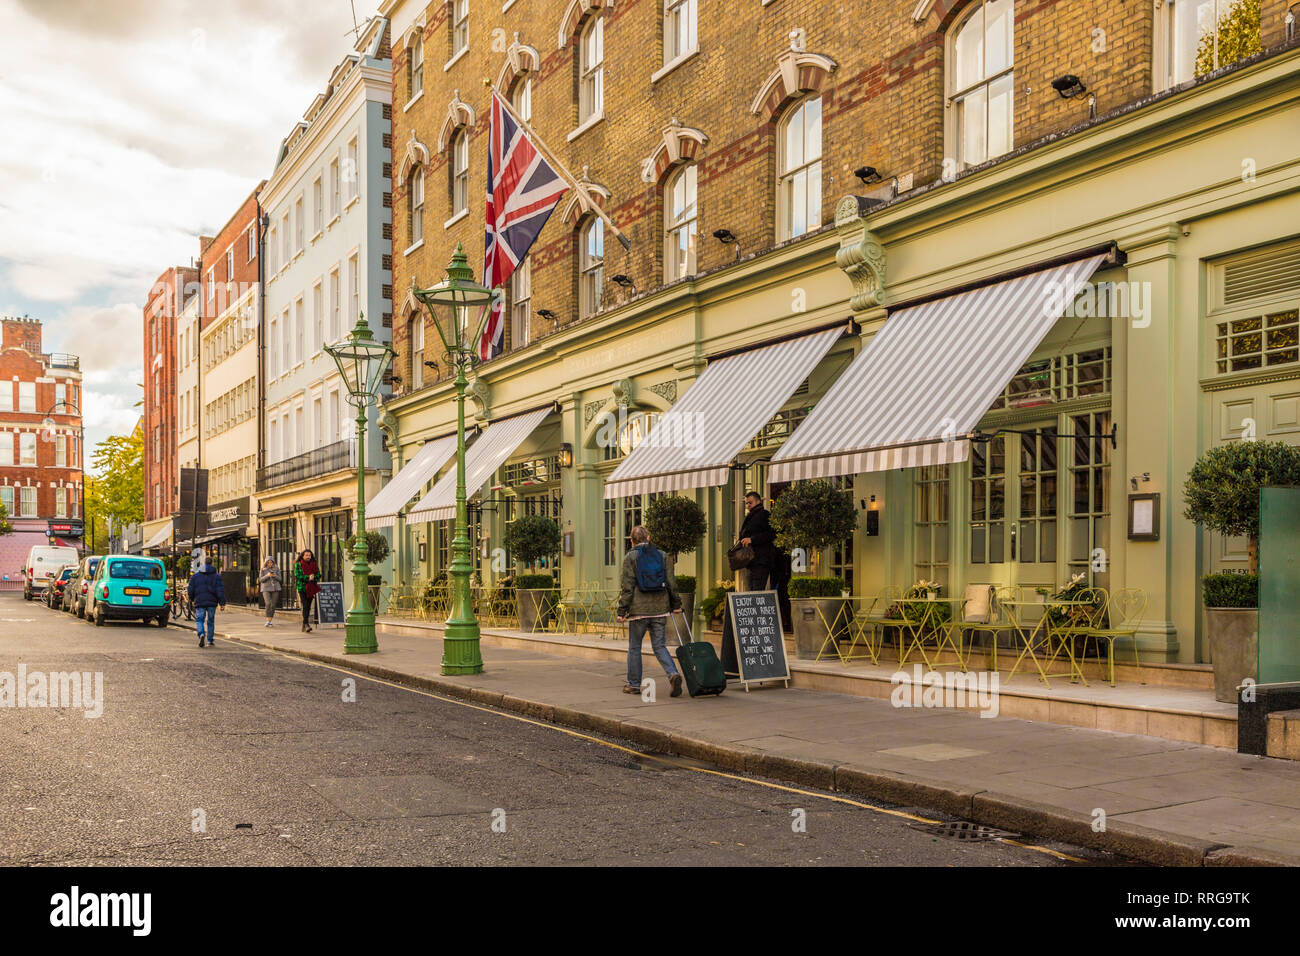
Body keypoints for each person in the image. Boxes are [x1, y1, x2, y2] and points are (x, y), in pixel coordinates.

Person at [616, 525, 684, 698]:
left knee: (635, 647)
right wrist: (676, 603)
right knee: (659, 646)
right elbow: (671, 582)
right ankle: (673, 673)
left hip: (639, 610)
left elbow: (627, 586)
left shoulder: (631, 557)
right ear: (649, 538)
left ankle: (634, 684)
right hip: (660, 609)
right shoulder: (661, 555)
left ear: (632, 541)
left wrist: (622, 610)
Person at [738, 491, 779, 591]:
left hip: (761, 561)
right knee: (751, 590)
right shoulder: (750, 516)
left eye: (750, 503)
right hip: (750, 560)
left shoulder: (764, 515)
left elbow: (771, 534)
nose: (748, 506)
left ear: (758, 501)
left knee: (757, 590)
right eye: (746, 503)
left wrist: (752, 539)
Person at [188, 558, 226, 648]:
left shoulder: (195, 576)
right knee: (211, 621)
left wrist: (192, 599)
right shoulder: (217, 576)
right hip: (212, 602)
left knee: (199, 620)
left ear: (203, 564)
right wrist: (222, 603)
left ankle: (201, 634)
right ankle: (210, 639)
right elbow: (220, 591)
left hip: (199, 600)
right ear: (212, 563)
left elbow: (190, 589)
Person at [294, 549, 321, 633]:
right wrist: (308, 577)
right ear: (302, 556)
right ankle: (306, 624)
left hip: (311, 587)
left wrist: (314, 577)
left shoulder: (314, 564)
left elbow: (319, 574)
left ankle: (304, 625)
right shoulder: (298, 564)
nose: (308, 557)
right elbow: (298, 575)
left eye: (309, 555)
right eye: (306, 555)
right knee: (305, 605)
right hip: (302, 587)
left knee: (308, 606)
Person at [259, 558, 282, 627]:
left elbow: (280, 579)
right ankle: (267, 620)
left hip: (275, 588)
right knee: (268, 603)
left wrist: (275, 576)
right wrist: (267, 575)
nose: (270, 563)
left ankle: (270, 620)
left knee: (273, 605)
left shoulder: (277, 568)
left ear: (273, 562)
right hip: (265, 588)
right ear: (266, 563)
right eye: (268, 562)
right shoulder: (263, 569)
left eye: (271, 562)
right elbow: (261, 580)